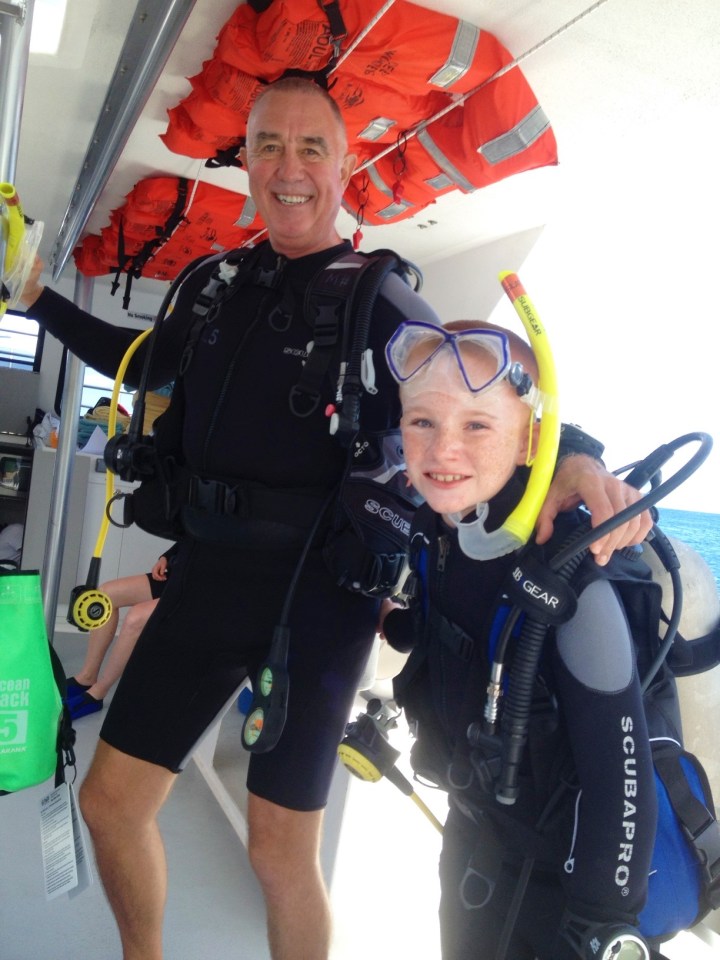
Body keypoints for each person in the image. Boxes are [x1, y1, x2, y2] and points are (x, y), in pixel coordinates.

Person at [19, 78, 651, 960]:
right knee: (108, 804)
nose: (289, 168)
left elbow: (479, 390)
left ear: (344, 164)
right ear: (245, 159)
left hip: (318, 601)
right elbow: (144, 363)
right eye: (269, 145)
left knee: (279, 853)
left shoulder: (377, 302)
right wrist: (36, 295)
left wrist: (576, 455)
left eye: (312, 147)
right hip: (204, 579)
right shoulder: (210, 284)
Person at [382, 320, 657, 959]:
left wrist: (600, 922)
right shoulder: (442, 529)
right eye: (422, 422)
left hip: (555, 875)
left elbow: (624, 781)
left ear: (533, 440)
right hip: (474, 822)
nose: (443, 449)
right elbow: (447, 639)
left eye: (477, 426)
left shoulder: (566, 576)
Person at [66, 545, 177, 720]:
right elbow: (194, 532)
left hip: (207, 587)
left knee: (135, 618)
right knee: (105, 595)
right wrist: (167, 557)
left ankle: (98, 692)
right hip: (181, 573)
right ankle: (86, 677)